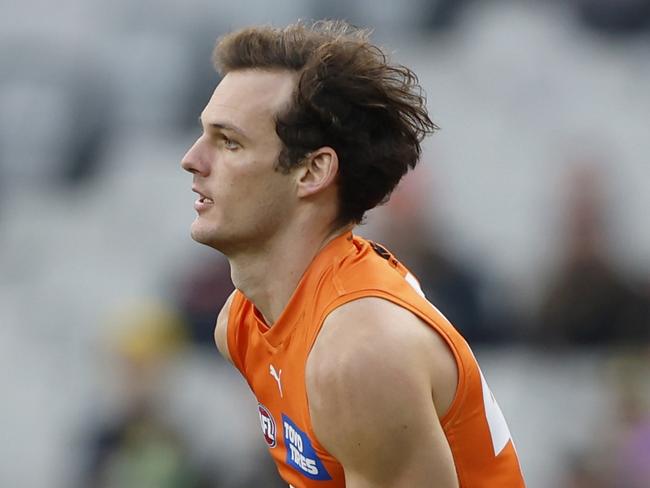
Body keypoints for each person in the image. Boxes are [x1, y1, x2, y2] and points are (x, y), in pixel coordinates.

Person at [181, 20, 525, 487]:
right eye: (205, 135)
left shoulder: (359, 355)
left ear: (312, 171)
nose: (192, 159)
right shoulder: (242, 323)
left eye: (229, 142)